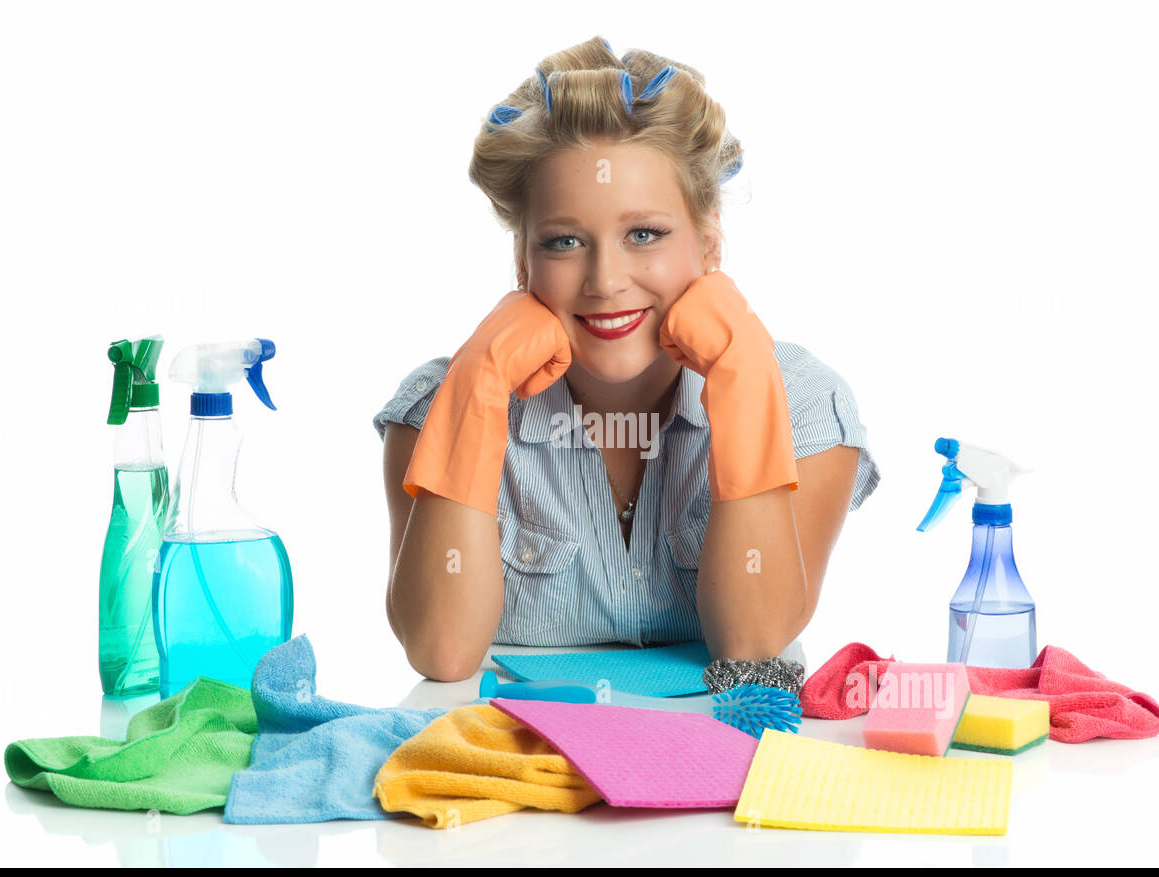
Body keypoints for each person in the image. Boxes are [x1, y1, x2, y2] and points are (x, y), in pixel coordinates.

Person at [375, 36, 879, 683]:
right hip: (520, 771)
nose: (605, 280)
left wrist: (746, 379)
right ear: (523, 262)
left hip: (717, 775)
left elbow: (751, 645)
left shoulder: (805, 404)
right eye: (564, 242)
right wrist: (477, 387)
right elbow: (441, 652)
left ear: (708, 243)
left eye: (645, 234)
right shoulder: (437, 408)